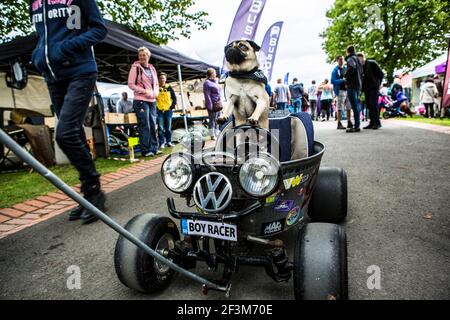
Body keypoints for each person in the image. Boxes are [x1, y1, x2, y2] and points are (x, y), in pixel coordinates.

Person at [30, 0, 107, 224]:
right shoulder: (33, 3)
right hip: (53, 77)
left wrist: (67, 47)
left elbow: (99, 29)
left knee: (64, 134)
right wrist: (38, 55)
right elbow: (44, 36)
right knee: (74, 133)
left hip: (80, 70)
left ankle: (94, 190)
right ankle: (88, 195)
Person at [128, 47, 161, 157]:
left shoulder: (152, 68)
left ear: (148, 56)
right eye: (140, 55)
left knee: (153, 124)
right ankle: (146, 150)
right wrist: (144, 91)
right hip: (141, 100)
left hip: (152, 100)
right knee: (145, 125)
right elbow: (131, 84)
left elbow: (156, 84)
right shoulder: (135, 68)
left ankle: (154, 148)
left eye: (144, 55)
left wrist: (155, 93)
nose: (142, 57)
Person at [357, 52, 384, 129]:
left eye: (359, 59)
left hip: (374, 87)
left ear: (363, 57)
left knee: (373, 104)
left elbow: (381, 74)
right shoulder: (361, 68)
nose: (359, 61)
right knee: (369, 105)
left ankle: (377, 123)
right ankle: (372, 122)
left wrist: (379, 85)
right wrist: (360, 92)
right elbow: (362, 80)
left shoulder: (372, 63)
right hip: (367, 89)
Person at [344, 45, 364, 133]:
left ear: (347, 51)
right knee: (356, 105)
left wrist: (346, 75)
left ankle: (356, 126)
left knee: (354, 106)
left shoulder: (350, 59)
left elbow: (351, 68)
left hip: (352, 85)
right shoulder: (358, 60)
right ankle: (357, 124)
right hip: (358, 85)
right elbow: (361, 72)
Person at [156, 72, 177, 149]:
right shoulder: (156, 88)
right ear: (158, 79)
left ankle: (169, 142)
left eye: (163, 78)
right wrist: (156, 108)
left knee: (168, 128)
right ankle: (161, 143)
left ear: (166, 79)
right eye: (160, 78)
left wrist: (171, 107)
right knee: (160, 128)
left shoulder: (169, 87)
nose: (162, 79)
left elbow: (174, 98)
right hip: (160, 111)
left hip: (168, 111)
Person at [331, 55, 350, 129]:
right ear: (337, 60)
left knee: (349, 106)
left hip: (347, 90)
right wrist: (342, 80)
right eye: (340, 59)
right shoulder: (335, 70)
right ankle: (339, 123)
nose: (342, 61)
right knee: (340, 107)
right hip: (340, 90)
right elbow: (333, 81)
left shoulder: (346, 68)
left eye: (342, 59)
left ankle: (349, 122)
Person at [203, 68, 222, 140]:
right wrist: (209, 106)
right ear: (211, 74)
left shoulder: (216, 82)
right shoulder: (207, 83)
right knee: (212, 120)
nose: (216, 74)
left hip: (218, 104)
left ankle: (217, 133)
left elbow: (219, 93)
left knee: (218, 120)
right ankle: (212, 135)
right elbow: (207, 95)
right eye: (214, 73)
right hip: (212, 104)